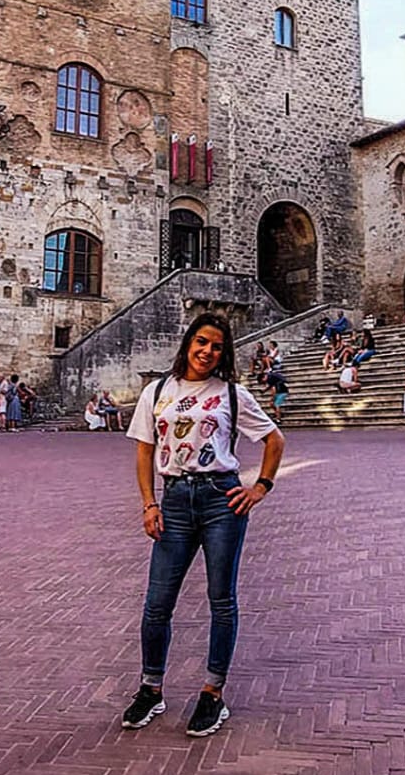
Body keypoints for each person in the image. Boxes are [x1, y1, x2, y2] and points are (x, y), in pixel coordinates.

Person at [121, 313, 284, 740]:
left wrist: (259, 487)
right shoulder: (158, 391)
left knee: (221, 599)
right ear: (188, 343)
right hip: (173, 500)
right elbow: (144, 451)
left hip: (220, 500)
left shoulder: (232, 394)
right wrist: (148, 504)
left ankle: (213, 692)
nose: (207, 351)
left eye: (216, 346)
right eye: (201, 342)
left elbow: (274, 440)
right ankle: (151, 687)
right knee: (157, 602)